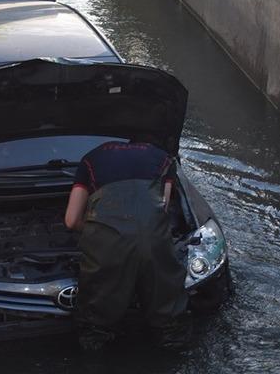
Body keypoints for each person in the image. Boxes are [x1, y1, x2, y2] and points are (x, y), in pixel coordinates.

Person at [64, 139, 190, 351]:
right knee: (168, 315)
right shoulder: (163, 159)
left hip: (107, 247)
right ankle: (170, 346)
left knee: (96, 325)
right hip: (153, 243)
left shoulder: (90, 159)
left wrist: (99, 231)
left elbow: (71, 220)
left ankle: (96, 351)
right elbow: (160, 210)